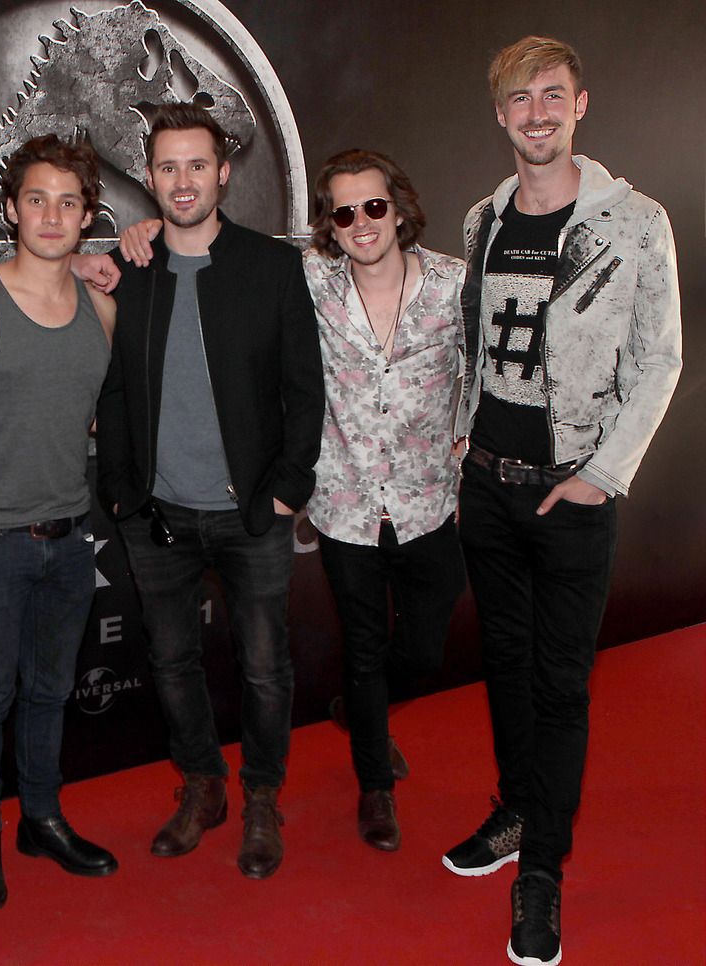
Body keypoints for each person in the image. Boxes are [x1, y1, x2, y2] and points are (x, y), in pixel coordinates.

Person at [442, 36, 681, 966]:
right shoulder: (482, 219)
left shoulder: (633, 222)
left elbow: (660, 360)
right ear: (500, 116)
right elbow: (479, 347)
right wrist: (467, 433)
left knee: (559, 682)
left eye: (552, 96)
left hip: (574, 495)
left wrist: (602, 473)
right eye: (518, 100)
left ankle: (542, 870)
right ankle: (514, 811)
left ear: (580, 103)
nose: (535, 113)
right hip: (489, 488)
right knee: (503, 664)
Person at [97, 103, 324, 879]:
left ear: (224, 172)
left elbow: (305, 390)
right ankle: (202, 785)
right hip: (156, 516)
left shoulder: (272, 266)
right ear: (149, 177)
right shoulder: (131, 267)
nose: (183, 180)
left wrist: (288, 492)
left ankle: (262, 794)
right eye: (167, 167)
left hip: (253, 515)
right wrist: (124, 495)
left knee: (265, 667)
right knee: (171, 663)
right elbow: (117, 391)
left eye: (197, 165)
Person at [0, 135, 117, 911]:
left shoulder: (103, 310)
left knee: (50, 691)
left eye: (70, 201)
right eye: (38, 199)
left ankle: (41, 819)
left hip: (70, 538)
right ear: (11, 209)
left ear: (88, 216)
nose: (53, 215)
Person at [302, 150, 466, 852]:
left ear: (398, 207)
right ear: (330, 227)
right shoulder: (313, 283)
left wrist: (469, 433)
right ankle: (375, 785)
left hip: (430, 501)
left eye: (373, 206)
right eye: (344, 212)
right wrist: (140, 238)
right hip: (344, 504)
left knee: (424, 648)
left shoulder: (455, 286)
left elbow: (491, 366)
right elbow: (225, 249)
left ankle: (360, 711)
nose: (361, 223)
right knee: (364, 649)